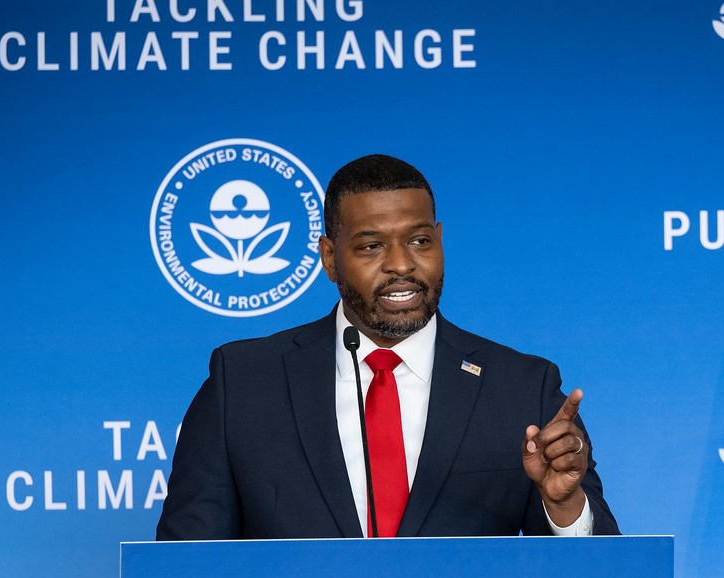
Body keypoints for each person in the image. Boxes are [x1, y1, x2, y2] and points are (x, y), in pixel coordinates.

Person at [156, 154, 619, 540]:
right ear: (330, 259)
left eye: (419, 241)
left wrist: (563, 506)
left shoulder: (523, 389)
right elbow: (186, 575)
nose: (401, 264)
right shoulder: (243, 385)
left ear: (440, 240)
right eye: (372, 246)